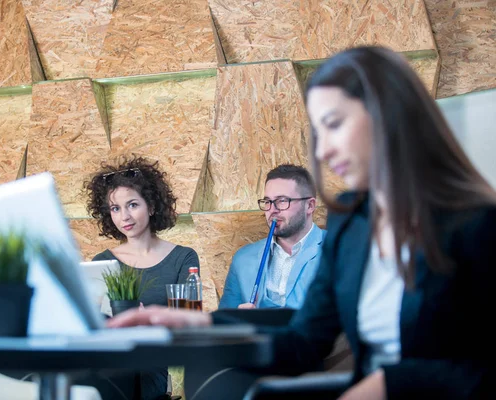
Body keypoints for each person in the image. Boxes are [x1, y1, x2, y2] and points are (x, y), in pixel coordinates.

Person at [106, 46, 496, 399]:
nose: (323, 150)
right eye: (318, 131)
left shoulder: (479, 224)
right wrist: (201, 324)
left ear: (388, 115)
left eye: (334, 123)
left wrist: (389, 384)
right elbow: (304, 341)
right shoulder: (353, 221)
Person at [82, 156, 200, 400]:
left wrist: (151, 322)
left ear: (152, 206)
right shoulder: (101, 262)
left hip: (150, 370)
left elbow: (189, 325)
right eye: (115, 208)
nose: (124, 216)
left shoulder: (183, 258)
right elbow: (92, 331)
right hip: (108, 365)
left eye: (133, 205)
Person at [219, 164, 326, 310]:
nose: (272, 210)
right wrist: (240, 319)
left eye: (282, 201)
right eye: (268, 201)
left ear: (310, 206)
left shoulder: (338, 250)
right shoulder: (243, 259)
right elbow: (225, 321)